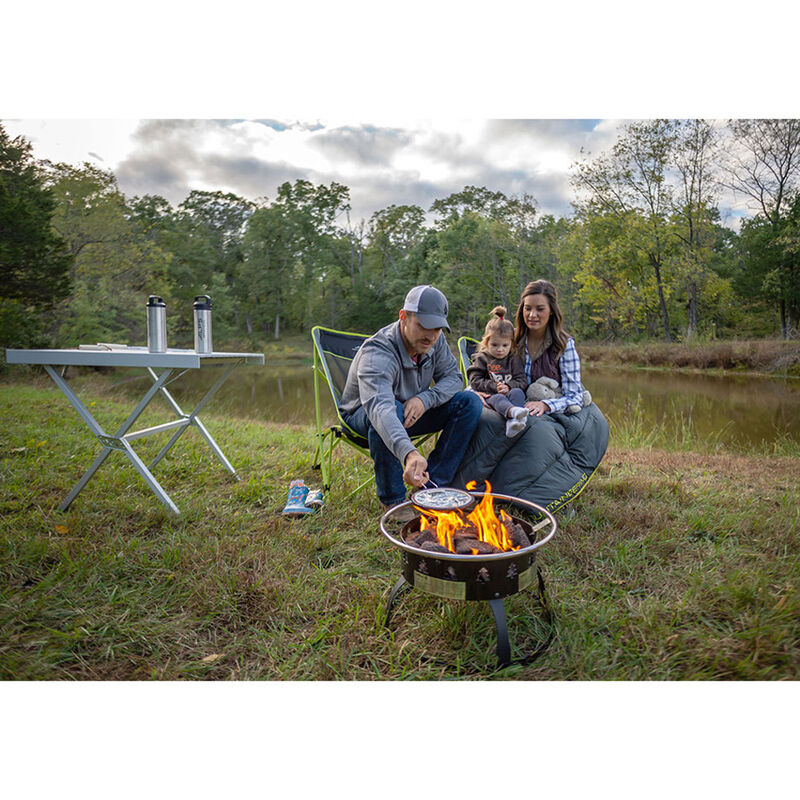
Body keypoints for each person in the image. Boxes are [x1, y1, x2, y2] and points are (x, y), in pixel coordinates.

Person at [339, 285, 483, 516]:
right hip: (364, 415)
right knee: (392, 409)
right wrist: (410, 453)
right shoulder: (378, 352)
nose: (431, 335)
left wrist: (425, 399)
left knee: (469, 402)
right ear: (403, 317)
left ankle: (432, 487)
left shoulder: (435, 341)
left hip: (411, 411)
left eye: (437, 328)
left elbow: (454, 378)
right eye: (423, 325)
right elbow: (380, 408)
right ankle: (394, 501)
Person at [512, 279, 589, 417]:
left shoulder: (564, 344)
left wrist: (546, 405)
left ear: (551, 311)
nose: (532, 315)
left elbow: (575, 396)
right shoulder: (510, 339)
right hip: (512, 410)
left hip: (545, 418)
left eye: (540, 309)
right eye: (528, 308)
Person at [466, 306, 529, 437]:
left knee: (517, 392)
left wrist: (509, 386)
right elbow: (474, 380)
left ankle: (515, 420)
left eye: (505, 345)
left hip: (510, 394)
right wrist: (494, 386)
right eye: (495, 345)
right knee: (498, 397)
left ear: (511, 344)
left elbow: (522, 380)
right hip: (491, 396)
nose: (500, 349)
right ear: (486, 342)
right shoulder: (482, 358)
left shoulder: (513, 358)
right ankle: (513, 413)